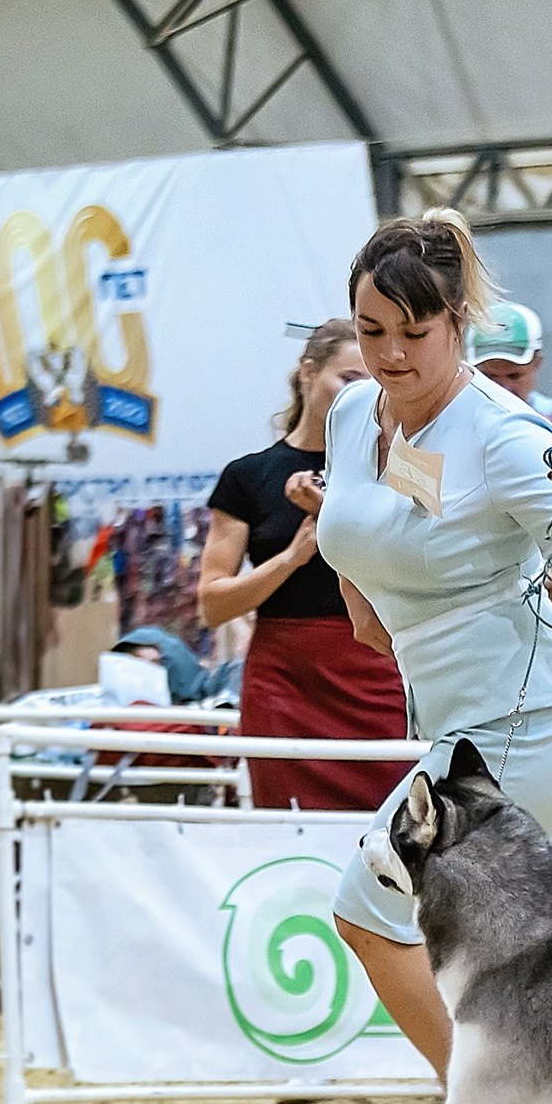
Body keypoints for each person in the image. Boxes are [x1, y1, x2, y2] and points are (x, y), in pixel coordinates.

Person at [313, 211, 552, 1104]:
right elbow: (365, 516)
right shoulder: (353, 414)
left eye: (412, 334)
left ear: (458, 322)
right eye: (371, 332)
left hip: (525, 722)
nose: (390, 354)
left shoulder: (508, 435)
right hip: (482, 714)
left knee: (369, 911)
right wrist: (367, 600)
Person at [201, 318, 406, 810]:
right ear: (307, 373)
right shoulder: (249, 477)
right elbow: (211, 604)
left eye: (374, 382)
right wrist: (292, 558)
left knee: (398, 830)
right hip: (285, 682)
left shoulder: (396, 469)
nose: (362, 394)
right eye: (348, 378)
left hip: (377, 670)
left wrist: (329, 519)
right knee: (289, 838)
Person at [467, 300, 552, 448]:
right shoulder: (453, 422)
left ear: (537, 362)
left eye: (514, 376)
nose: (503, 387)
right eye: (489, 378)